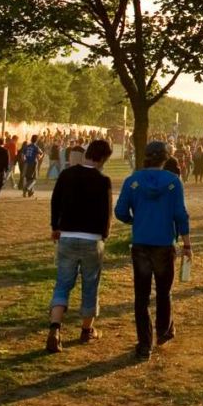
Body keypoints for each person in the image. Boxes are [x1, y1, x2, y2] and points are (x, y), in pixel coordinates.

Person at [114, 140, 192, 361]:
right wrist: (186, 243)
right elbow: (181, 214)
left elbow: (120, 211)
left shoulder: (132, 181)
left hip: (141, 243)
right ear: (166, 158)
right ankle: (164, 331)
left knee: (141, 295)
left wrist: (135, 220)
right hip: (164, 243)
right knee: (164, 292)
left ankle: (144, 344)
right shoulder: (174, 182)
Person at [47, 140, 114, 353]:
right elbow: (106, 212)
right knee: (90, 283)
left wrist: (55, 226)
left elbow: (55, 202)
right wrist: (104, 234)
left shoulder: (67, 175)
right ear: (103, 159)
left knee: (63, 283)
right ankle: (86, 330)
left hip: (67, 234)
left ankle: (55, 328)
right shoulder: (103, 180)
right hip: (92, 238)